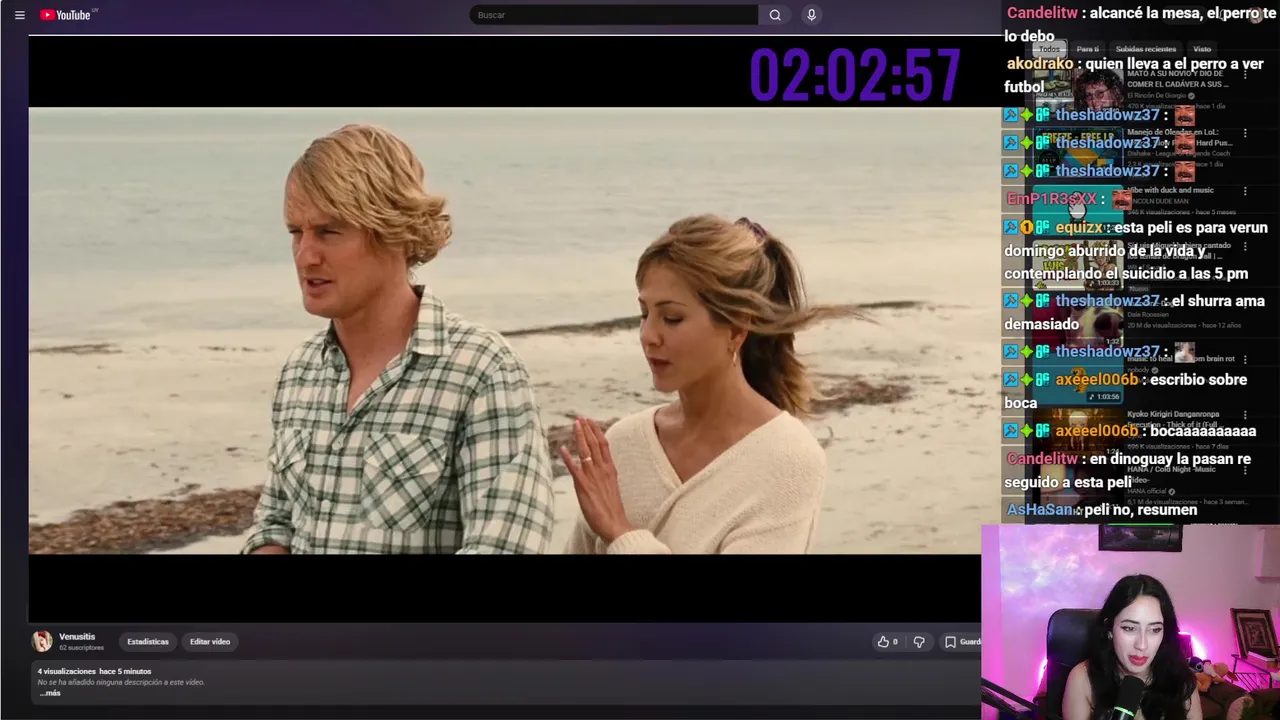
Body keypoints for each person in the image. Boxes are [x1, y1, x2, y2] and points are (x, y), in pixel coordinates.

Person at [242, 124, 556, 554]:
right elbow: (275, 523)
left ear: (393, 231)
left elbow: (505, 546)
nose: (305, 255)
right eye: (296, 232)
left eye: (329, 231)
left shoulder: (482, 370)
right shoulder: (301, 371)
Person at [560, 215, 836, 554]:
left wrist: (619, 532)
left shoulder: (788, 459)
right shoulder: (622, 444)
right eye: (644, 314)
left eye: (671, 318)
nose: (648, 336)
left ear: (736, 328)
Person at [1064, 574, 1203, 720]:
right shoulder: (1083, 679)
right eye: (1129, 628)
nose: (1142, 645)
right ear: (1109, 628)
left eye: (1155, 630)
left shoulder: (1182, 681)